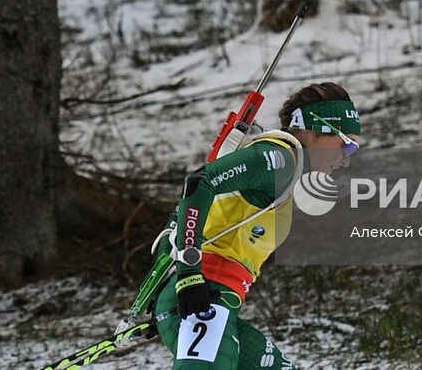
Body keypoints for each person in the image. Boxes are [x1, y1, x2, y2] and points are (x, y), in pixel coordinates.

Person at [153, 82, 362, 369]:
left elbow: (183, 214)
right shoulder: (279, 160)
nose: (346, 159)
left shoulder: (289, 168)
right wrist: (188, 276)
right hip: (205, 295)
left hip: (210, 297)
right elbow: (199, 183)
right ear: (317, 130)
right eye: (347, 145)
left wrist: (166, 286)